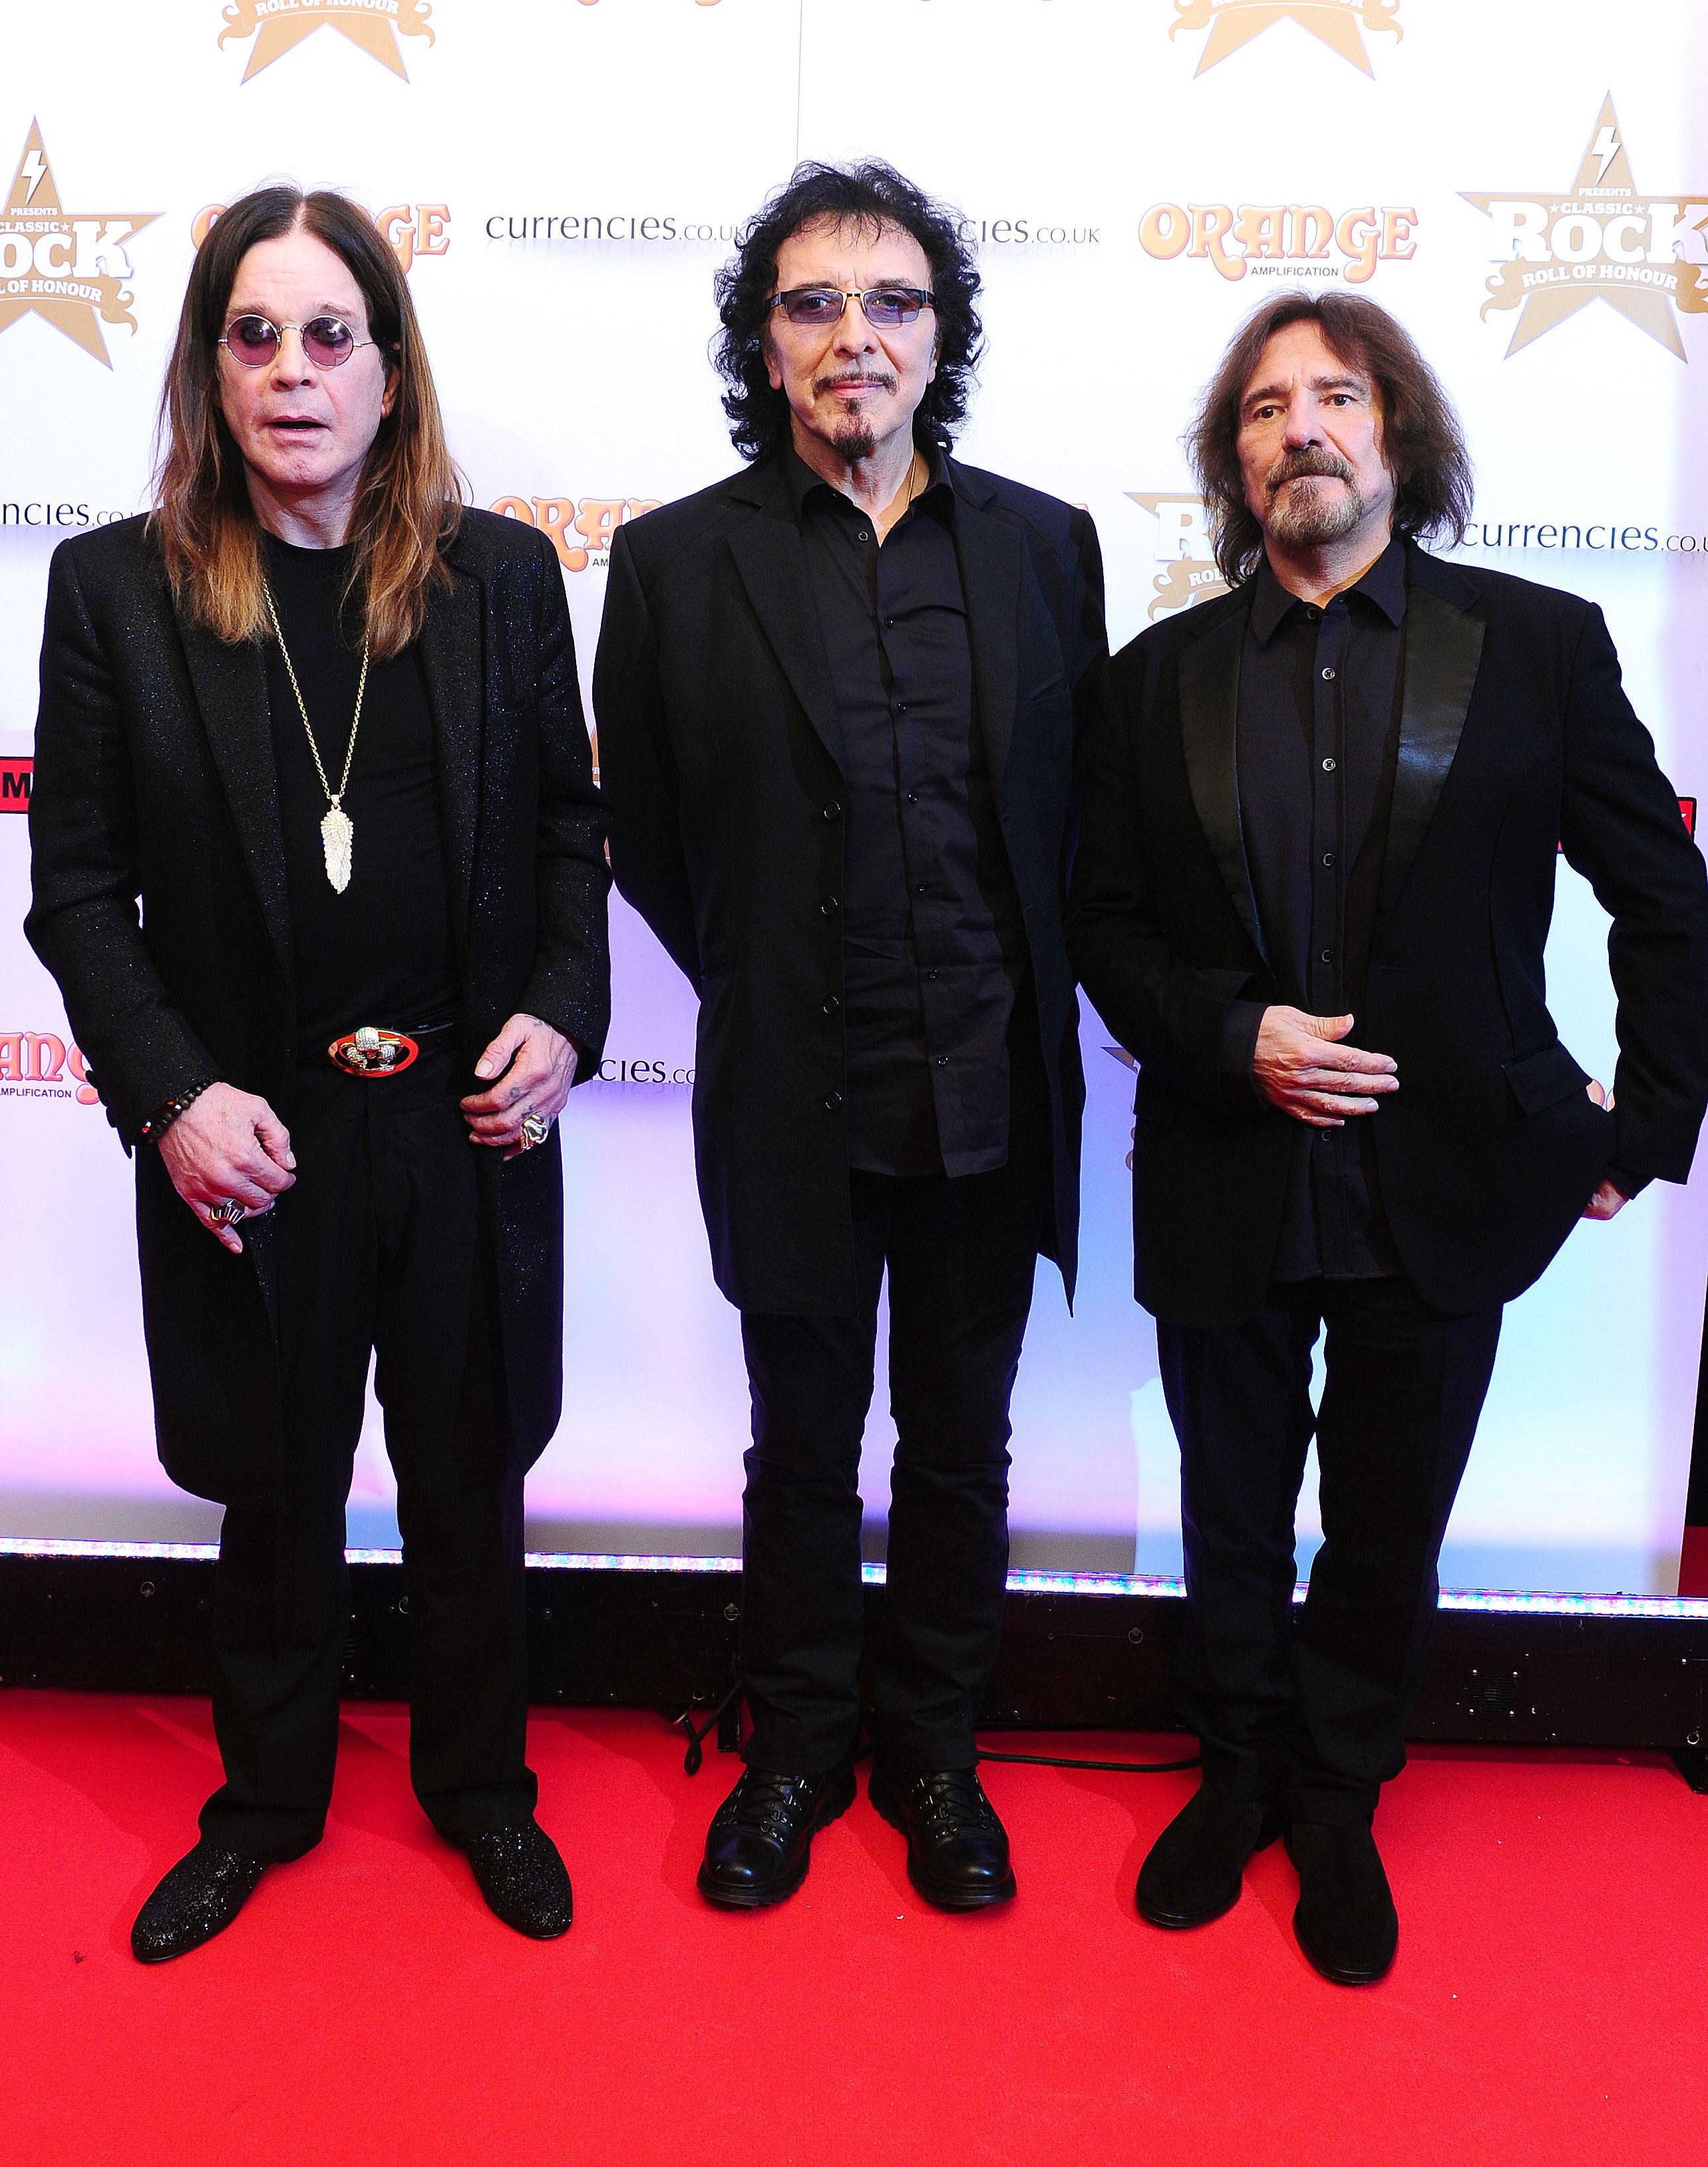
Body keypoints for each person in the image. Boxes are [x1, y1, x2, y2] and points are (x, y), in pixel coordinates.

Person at [1068, 290, 1708, 1985]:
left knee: (1384, 1518)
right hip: (1225, 1166)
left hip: (1454, 1178)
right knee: (1226, 1502)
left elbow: (1663, 891)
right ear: (1235, 460)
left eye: (1335, 396)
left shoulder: (1541, 644)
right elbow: (1104, 927)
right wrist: (1230, 1036)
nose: (1303, 430)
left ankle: (1338, 1792)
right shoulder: (1152, 685)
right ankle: (1231, 1774)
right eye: (1267, 408)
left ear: (1397, 435)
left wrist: (1643, 1122)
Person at [26, 186, 610, 1961]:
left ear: (387, 367)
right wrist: (172, 1099)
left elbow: (577, 836)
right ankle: (267, 1802)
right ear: (210, 370)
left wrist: (569, 1014)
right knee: (275, 1493)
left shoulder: (500, 578)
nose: (294, 373)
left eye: (329, 335)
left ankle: (482, 1793)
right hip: (252, 1130)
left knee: (470, 1476)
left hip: (464, 1117)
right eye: (254, 335)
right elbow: (72, 889)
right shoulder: (115, 593)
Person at [595, 161, 1105, 1911]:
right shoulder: (673, 565)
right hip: (796, 1095)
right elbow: (648, 840)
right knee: (801, 1450)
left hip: (991, 1090)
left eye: (890, 302)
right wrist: (762, 973)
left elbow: (1071, 823)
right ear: (766, 342)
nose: (854, 336)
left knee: (965, 1449)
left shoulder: (1048, 549)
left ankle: (935, 1753)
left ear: (939, 336)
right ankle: (800, 1750)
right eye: (814, 302)